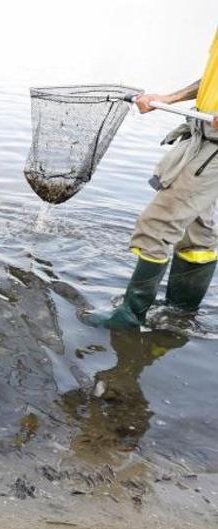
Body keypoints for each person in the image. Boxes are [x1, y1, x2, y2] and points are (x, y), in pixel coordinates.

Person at [88, 28, 218, 328]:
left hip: (212, 151)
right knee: (196, 231)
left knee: (157, 224)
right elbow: (210, 82)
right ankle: (180, 313)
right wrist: (169, 98)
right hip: (203, 136)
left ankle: (130, 315)